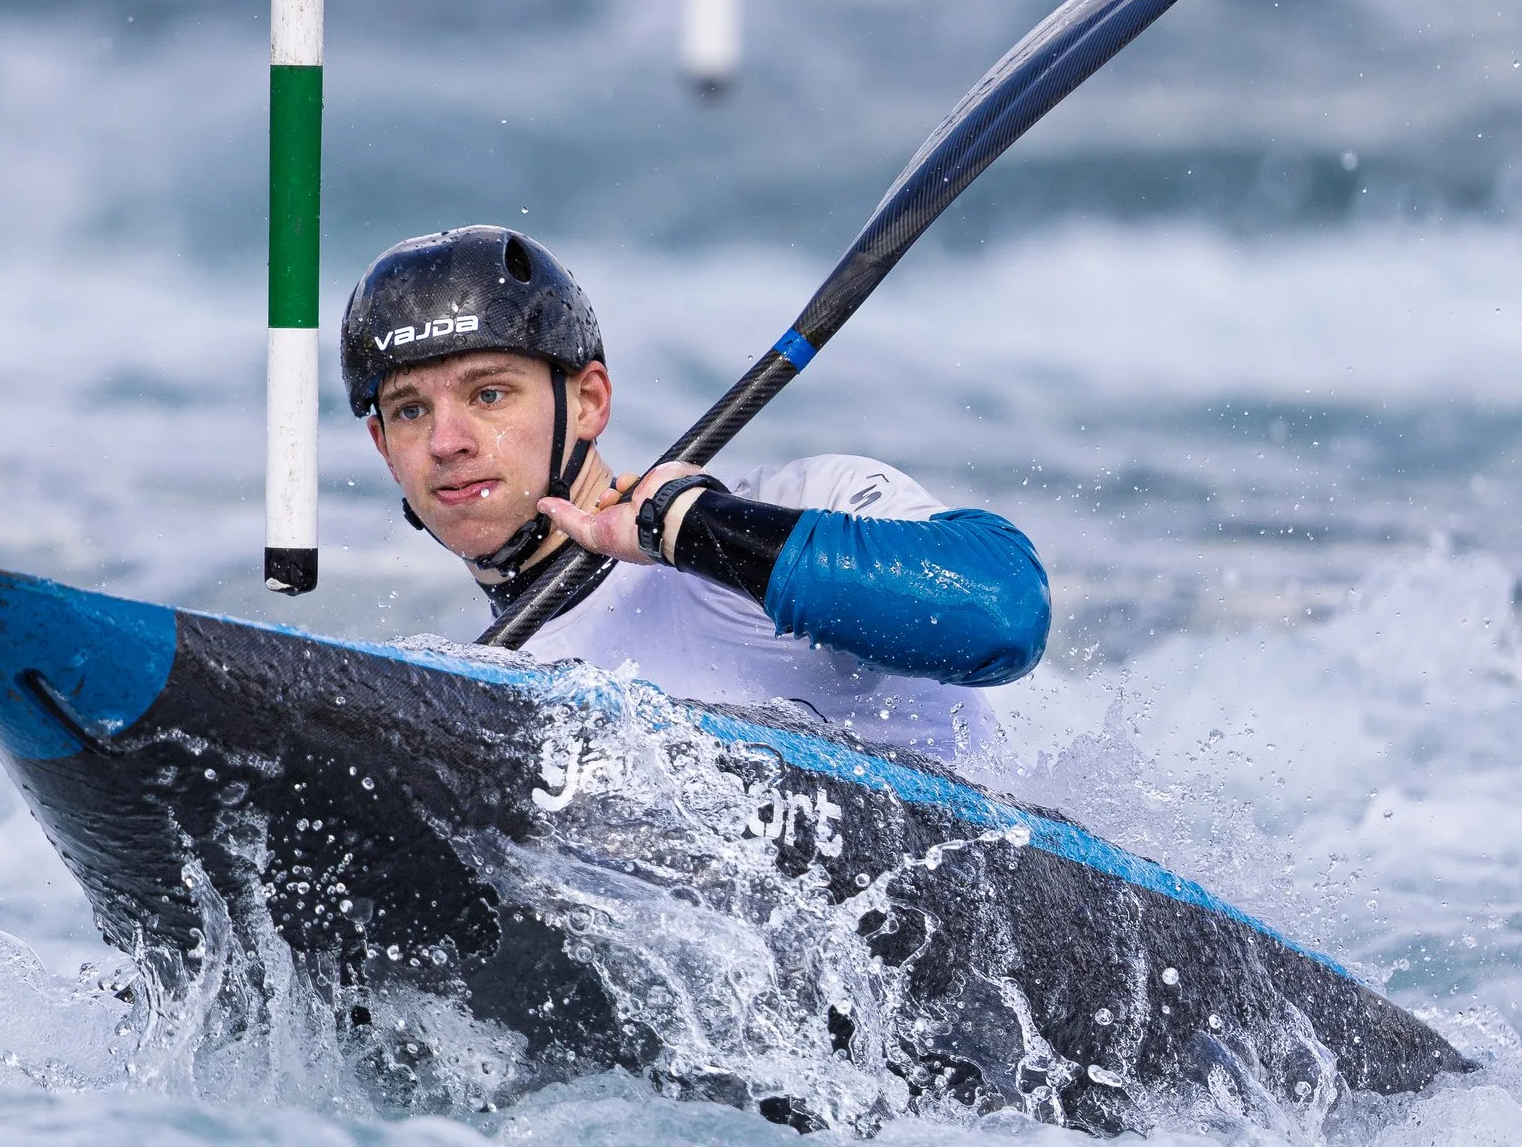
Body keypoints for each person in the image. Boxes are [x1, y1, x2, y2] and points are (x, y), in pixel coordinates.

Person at [342, 225, 1049, 759]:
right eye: (410, 410)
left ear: (589, 401)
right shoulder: (480, 697)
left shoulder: (806, 502)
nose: (446, 441)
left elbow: (1003, 614)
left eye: (489, 394)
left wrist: (694, 529)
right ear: (383, 448)